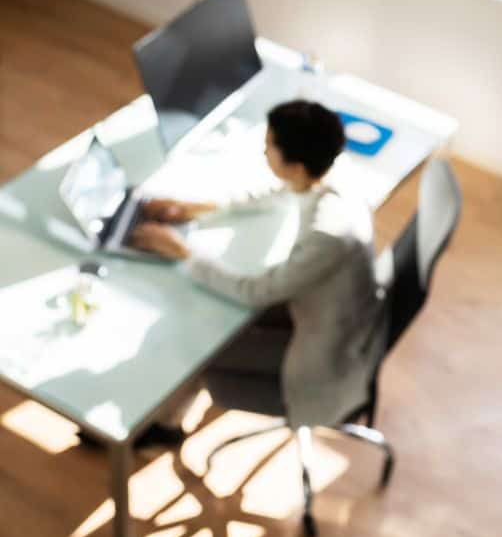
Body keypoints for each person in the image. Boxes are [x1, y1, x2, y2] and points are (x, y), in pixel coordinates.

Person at [130, 99, 384, 445]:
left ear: (294, 164)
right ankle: (170, 417)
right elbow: (276, 192)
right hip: (336, 313)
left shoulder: (327, 235)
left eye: (269, 146)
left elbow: (255, 292)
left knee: (196, 344)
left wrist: (181, 251)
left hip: (323, 354)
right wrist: (192, 209)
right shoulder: (331, 172)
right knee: (213, 313)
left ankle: (165, 427)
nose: (264, 153)